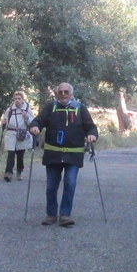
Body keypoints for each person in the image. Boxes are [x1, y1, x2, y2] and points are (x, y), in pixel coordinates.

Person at [28, 82, 98, 227]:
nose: (63, 94)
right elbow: (38, 120)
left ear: (71, 93)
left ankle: (65, 215)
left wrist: (92, 135)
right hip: (53, 154)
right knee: (51, 187)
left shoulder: (80, 108)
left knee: (70, 183)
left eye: (66, 92)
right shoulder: (51, 107)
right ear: (56, 94)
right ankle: (51, 215)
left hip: (74, 155)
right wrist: (35, 126)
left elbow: (91, 127)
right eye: (61, 92)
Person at [0, 91, 34, 181]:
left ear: (22, 99)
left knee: (20, 155)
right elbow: (5, 121)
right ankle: (8, 173)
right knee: (10, 154)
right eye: (15, 99)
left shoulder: (27, 109)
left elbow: (32, 122)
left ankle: (19, 171)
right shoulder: (10, 109)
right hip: (11, 134)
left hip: (22, 134)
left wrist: (26, 116)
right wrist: (3, 123)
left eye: (19, 98)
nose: (17, 100)